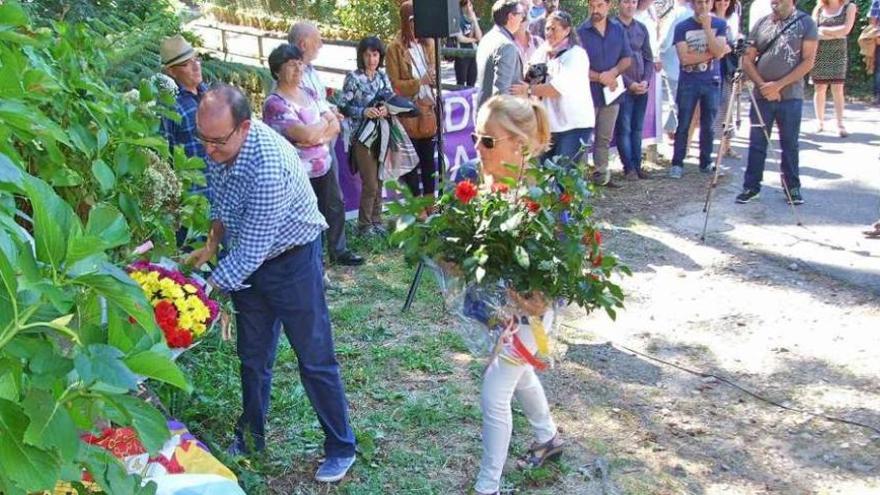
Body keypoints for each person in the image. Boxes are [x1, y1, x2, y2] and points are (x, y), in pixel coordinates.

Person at [188, 84, 357, 482]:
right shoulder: (220, 141)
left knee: (314, 357)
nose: (208, 150)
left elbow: (252, 250)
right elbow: (220, 198)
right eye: (203, 139)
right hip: (252, 262)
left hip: (292, 261)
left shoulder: (268, 164)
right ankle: (250, 439)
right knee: (252, 357)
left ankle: (341, 446)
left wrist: (199, 294)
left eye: (217, 142)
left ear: (245, 127)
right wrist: (213, 241)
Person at [464, 95, 563, 495]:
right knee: (518, 378)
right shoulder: (488, 191)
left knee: (494, 392)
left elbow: (555, 278)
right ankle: (548, 436)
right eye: (475, 136)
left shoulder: (539, 201)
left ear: (518, 146)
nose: (477, 147)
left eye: (488, 141)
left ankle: (487, 486)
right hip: (501, 313)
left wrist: (535, 299)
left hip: (529, 318)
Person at [286, 22, 364, 267]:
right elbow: (301, 124)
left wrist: (330, 117)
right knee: (308, 209)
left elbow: (321, 108)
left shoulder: (311, 71)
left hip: (324, 149)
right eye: (317, 40)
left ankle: (338, 250)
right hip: (302, 157)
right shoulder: (288, 75)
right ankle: (313, 262)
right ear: (303, 44)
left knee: (334, 200)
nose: (321, 44)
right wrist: (325, 124)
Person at [736, 0, 817, 205]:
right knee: (757, 142)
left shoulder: (806, 23)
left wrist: (778, 85)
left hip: (791, 95)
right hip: (762, 95)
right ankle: (751, 187)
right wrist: (764, 86)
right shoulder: (761, 23)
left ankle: (792, 188)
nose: (774, 2)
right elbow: (747, 59)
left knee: (789, 143)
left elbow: (808, 61)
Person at [667, 0, 730, 179]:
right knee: (684, 122)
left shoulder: (720, 24)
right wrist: (714, 53)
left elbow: (719, 51)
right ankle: (677, 163)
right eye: (698, 2)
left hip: (711, 81)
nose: (702, 6)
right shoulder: (682, 27)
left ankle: (705, 162)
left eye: (706, 2)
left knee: (708, 124)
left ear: (711, 4)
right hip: (688, 81)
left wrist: (708, 28)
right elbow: (685, 58)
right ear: (692, 5)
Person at [338, 36, 393, 236]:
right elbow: (342, 106)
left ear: (380, 56)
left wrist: (386, 110)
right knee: (370, 182)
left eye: (375, 54)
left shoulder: (382, 77)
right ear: (362, 55)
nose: (372, 59)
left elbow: (391, 100)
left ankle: (377, 221)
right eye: (368, 54)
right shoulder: (353, 78)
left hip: (381, 134)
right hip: (361, 137)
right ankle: (364, 226)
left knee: (379, 180)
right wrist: (363, 112)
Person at [386, 1, 438, 200]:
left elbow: (434, 74)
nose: (420, 25)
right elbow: (394, 85)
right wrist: (419, 82)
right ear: (407, 22)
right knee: (411, 163)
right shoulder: (395, 49)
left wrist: (434, 78)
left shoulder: (429, 44)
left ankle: (431, 203)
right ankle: (417, 208)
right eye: (415, 21)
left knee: (428, 162)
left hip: (428, 111)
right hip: (409, 113)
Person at [529, 10, 595, 167]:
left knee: (561, 175)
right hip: (549, 125)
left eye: (554, 29)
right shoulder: (541, 52)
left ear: (567, 31)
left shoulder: (576, 55)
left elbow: (555, 89)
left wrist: (528, 90)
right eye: (547, 28)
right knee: (545, 175)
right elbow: (529, 74)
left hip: (574, 125)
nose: (549, 33)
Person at [578, 0, 633, 187]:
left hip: (612, 93)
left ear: (608, 6)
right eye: (592, 6)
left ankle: (601, 175)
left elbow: (627, 58)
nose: (595, 10)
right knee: (584, 137)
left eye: (600, 6)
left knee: (604, 137)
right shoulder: (580, 32)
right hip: (588, 93)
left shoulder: (618, 30)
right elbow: (576, 66)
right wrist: (600, 76)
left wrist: (613, 72)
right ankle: (581, 179)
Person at [158, 34, 209, 197]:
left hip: (223, 195)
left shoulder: (209, 93)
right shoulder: (169, 107)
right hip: (193, 201)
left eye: (196, 59)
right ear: (172, 71)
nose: (196, 66)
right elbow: (163, 160)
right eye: (187, 63)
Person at [615, 0, 655, 180]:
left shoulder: (642, 28)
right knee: (624, 128)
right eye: (626, 2)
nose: (630, 6)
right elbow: (612, 62)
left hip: (642, 87)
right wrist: (628, 83)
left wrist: (646, 80)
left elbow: (648, 57)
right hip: (622, 87)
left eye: (633, 2)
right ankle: (628, 168)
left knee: (637, 128)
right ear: (619, 4)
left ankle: (638, 166)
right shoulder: (612, 28)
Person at [811, 0, 858, 137]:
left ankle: (840, 124)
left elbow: (846, 30)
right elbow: (814, 31)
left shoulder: (849, 7)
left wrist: (824, 30)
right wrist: (835, 33)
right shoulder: (819, 7)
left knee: (837, 87)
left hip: (838, 53)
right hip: (819, 52)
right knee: (819, 88)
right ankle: (819, 121)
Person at [476, 0, 530, 106]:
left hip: (485, 112)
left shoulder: (486, 39)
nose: (522, 19)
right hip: (501, 115)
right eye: (521, 14)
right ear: (511, 16)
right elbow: (501, 92)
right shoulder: (506, 46)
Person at [712, 0, 743, 160]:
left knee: (727, 105)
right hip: (711, 67)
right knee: (707, 108)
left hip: (728, 67)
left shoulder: (733, 17)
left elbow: (735, 41)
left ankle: (726, 146)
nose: (722, 3)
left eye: (726, 0)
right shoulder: (708, 17)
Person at [455, 0, 483, 87]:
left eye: (470, 5)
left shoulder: (473, 19)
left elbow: (479, 37)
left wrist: (474, 20)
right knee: (461, 83)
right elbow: (460, 38)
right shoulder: (458, 18)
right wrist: (473, 40)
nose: (468, 8)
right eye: (465, 5)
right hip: (461, 55)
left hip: (473, 54)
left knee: (472, 82)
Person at [515, 0, 545, 67]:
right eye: (521, 4)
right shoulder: (503, 42)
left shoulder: (539, 43)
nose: (525, 10)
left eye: (528, 6)